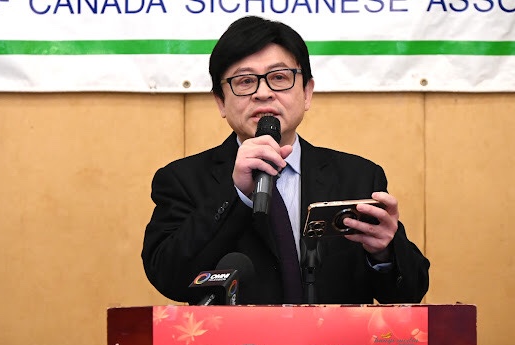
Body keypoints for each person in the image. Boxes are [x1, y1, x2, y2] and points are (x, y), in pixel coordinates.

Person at [141, 16, 429, 305]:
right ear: (220, 101)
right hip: (237, 338)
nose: (263, 93)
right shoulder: (182, 179)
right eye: (245, 81)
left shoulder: (358, 177)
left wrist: (384, 252)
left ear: (307, 92)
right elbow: (168, 276)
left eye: (279, 77)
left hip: (333, 336)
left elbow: (410, 292)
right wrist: (236, 193)